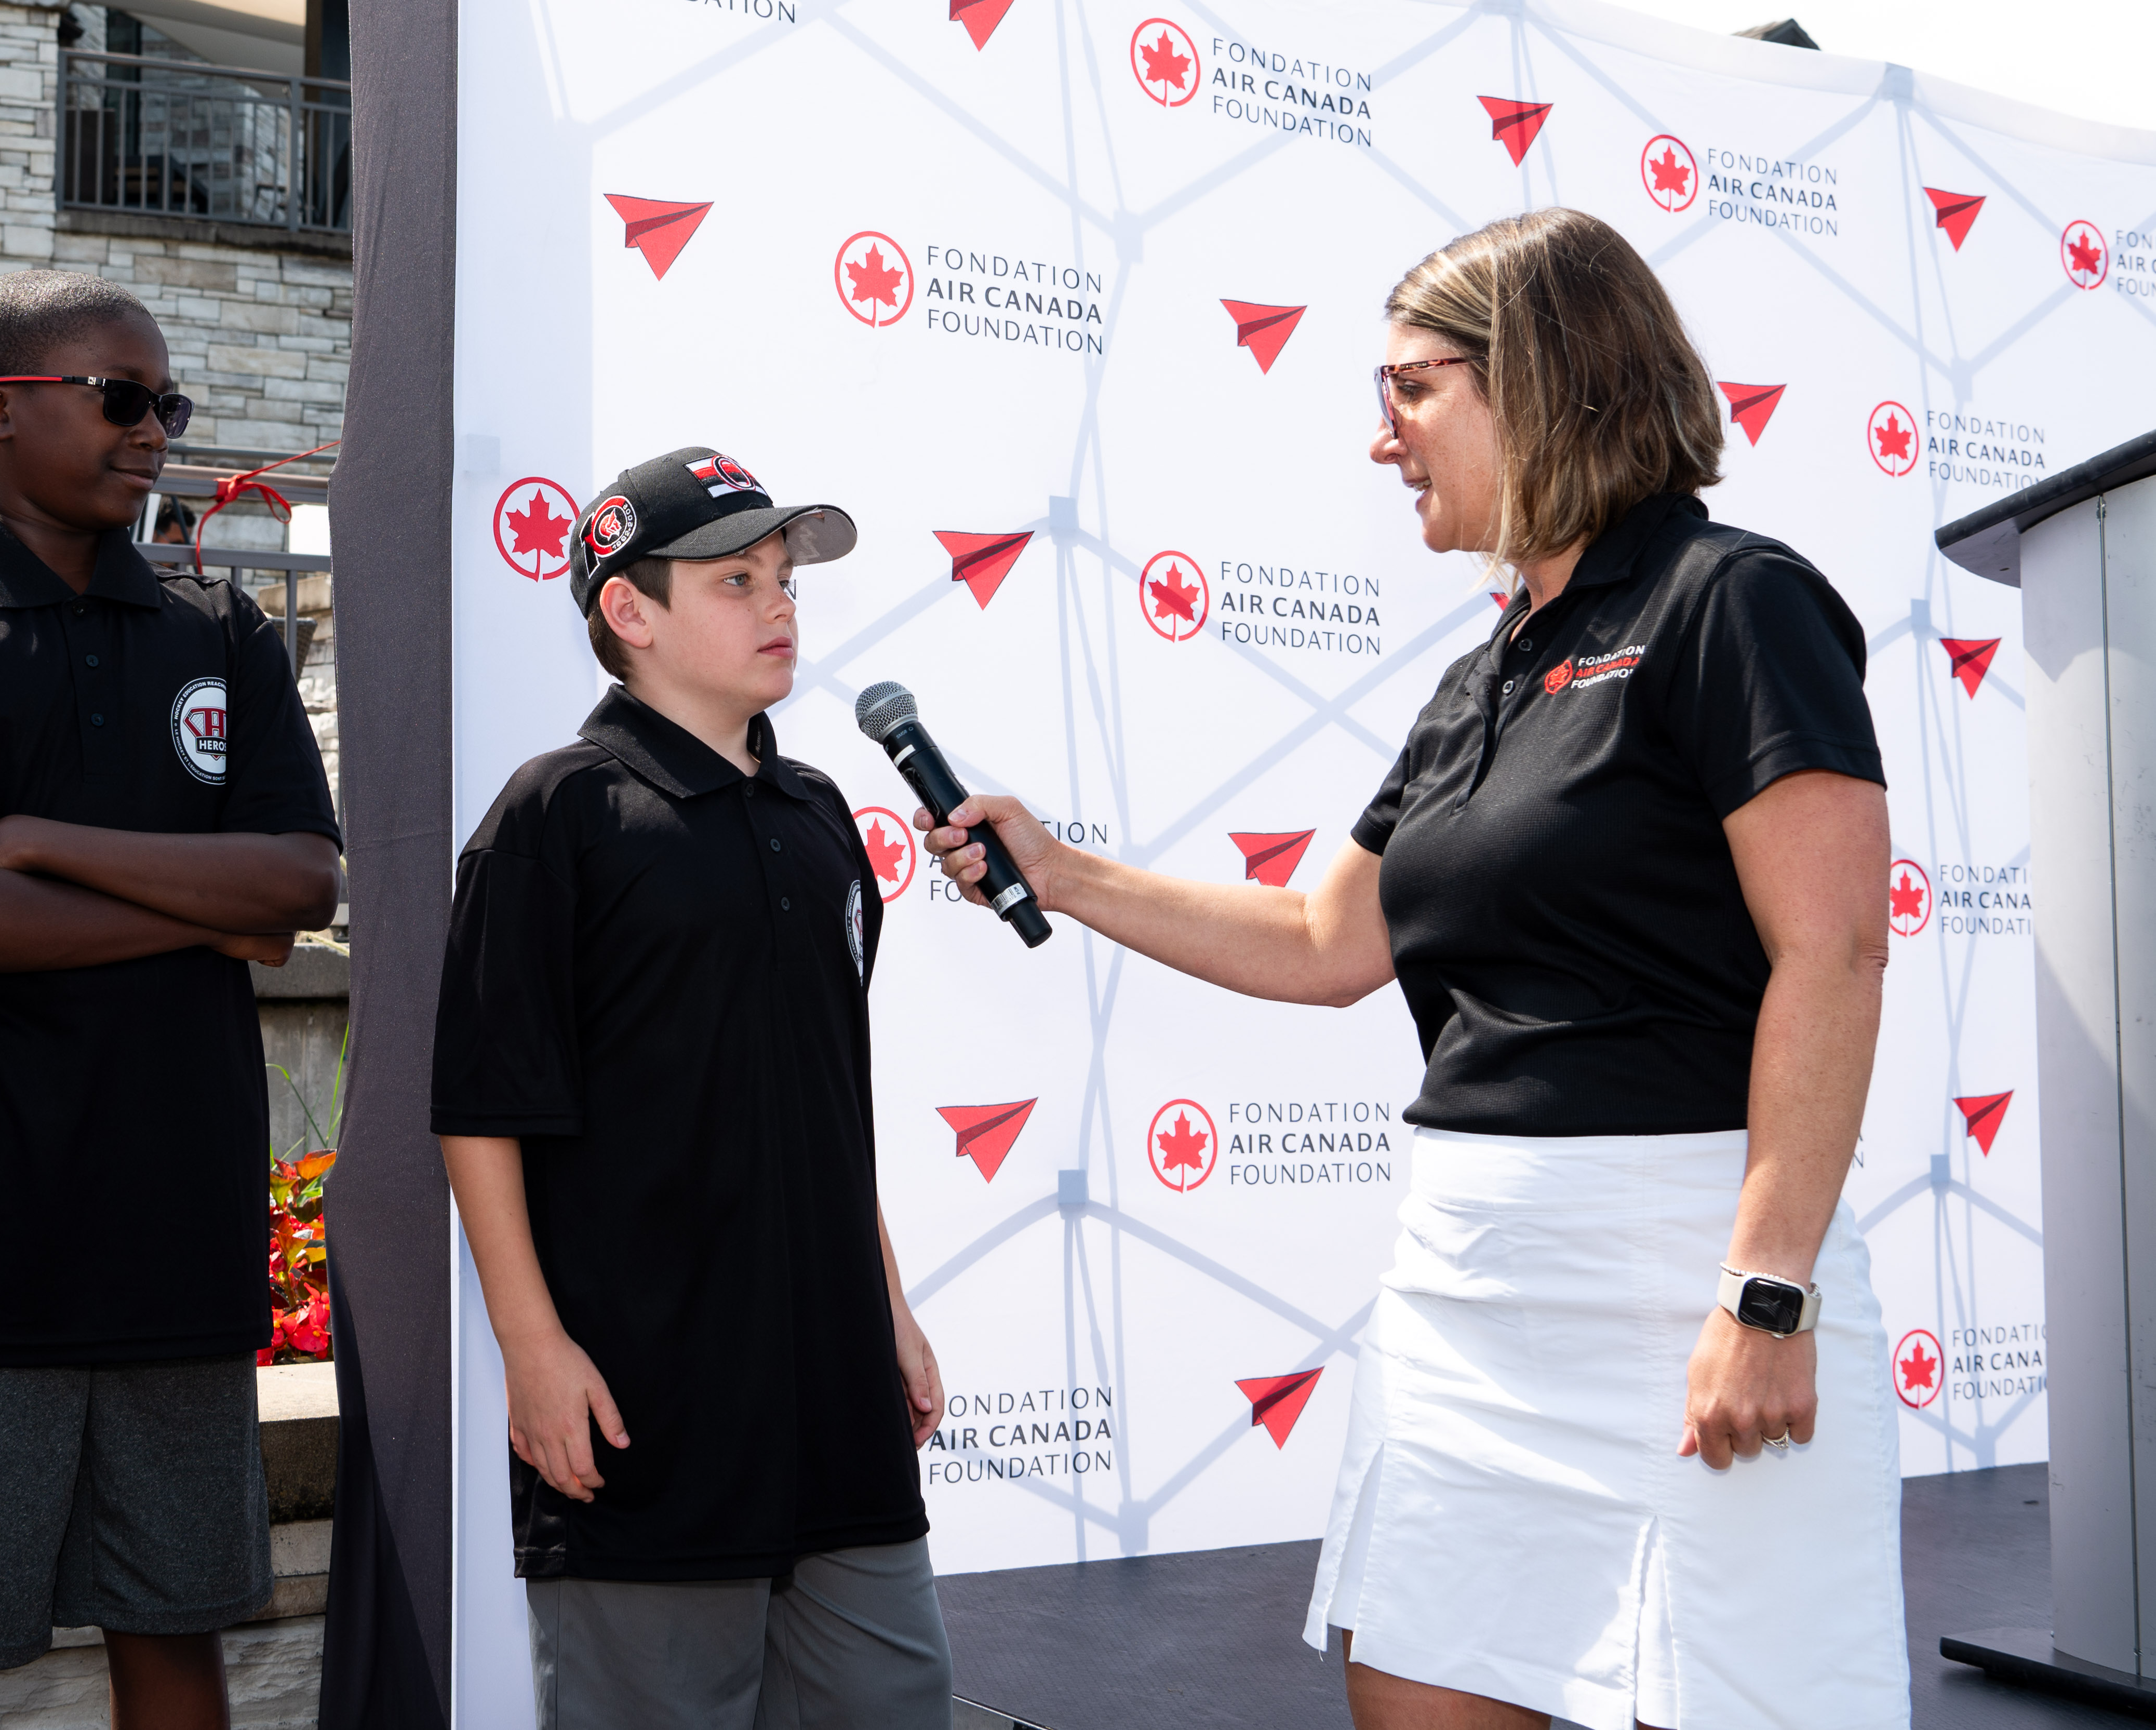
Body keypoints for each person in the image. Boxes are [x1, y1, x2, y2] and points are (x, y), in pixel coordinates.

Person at [920, 209, 1905, 1730]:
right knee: (1418, 1693)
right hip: (1464, 1291)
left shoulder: (1732, 598)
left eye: (1409, 388)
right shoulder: (1480, 671)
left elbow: (1831, 949)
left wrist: (1763, 1295)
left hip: (1683, 1278)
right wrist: (1060, 870)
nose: (1379, 437)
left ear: (1544, 373)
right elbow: (1326, 943)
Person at [0, 270, 343, 1730]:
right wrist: (206, 912)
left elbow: (301, 880)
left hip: (180, 1237)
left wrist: (38, 843)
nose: (154, 430)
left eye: (168, 402)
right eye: (120, 397)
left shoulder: (218, 623)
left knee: (177, 1641)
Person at [433, 446, 956, 1729]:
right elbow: (483, 1110)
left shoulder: (821, 815)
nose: (780, 606)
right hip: (647, 1409)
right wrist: (533, 1348)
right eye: (736, 581)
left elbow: (824, 1095)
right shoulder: (555, 814)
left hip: (839, 1408)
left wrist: (887, 1305)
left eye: (785, 580)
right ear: (630, 609)